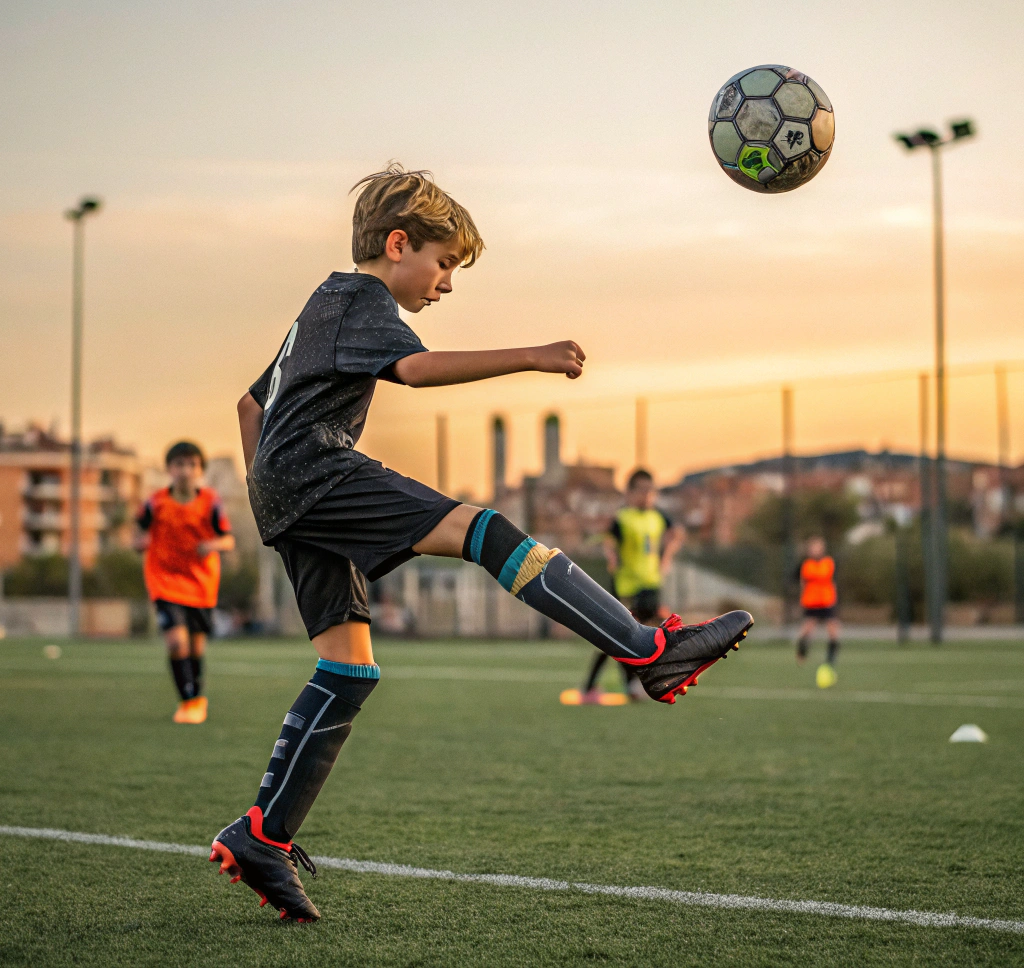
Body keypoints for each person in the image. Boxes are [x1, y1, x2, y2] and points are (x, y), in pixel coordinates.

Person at [210, 164, 753, 922]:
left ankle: (263, 835)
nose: (447, 285)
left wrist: (268, 494)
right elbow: (418, 370)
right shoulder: (360, 297)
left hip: (287, 489)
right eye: (443, 265)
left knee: (349, 667)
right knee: (482, 528)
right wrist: (531, 355)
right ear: (398, 244)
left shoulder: (321, 304)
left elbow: (248, 402)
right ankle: (646, 652)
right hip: (317, 474)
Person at [135, 441, 235, 724]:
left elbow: (229, 539)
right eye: (179, 464)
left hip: (200, 583)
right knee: (177, 642)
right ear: (169, 468)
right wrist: (138, 542)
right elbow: (136, 531)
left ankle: (196, 697)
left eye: (192, 464)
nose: (185, 470)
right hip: (164, 580)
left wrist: (213, 544)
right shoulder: (155, 503)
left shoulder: (211, 502)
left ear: (200, 470)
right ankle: (188, 702)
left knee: (195, 647)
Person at [577, 468, 684, 703]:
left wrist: (666, 558)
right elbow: (609, 540)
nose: (647, 496)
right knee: (616, 637)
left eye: (650, 491)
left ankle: (634, 685)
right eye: (642, 491)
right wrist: (612, 557)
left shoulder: (658, 517)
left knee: (646, 638)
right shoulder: (623, 518)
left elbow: (676, 533)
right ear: (631, 493)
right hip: (626, 587)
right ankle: (592, 687)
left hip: (651, 584)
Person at [794, 536, 841, 686]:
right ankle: (801, 653)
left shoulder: (828, 562)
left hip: (827, 601)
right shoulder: (807, 565)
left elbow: (829, 580)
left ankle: (831, 660)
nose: (816, 550)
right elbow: (804, 582)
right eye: (813, 547)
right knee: (807, 629)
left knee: (833, 631)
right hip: (812, 602)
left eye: (818, 547)